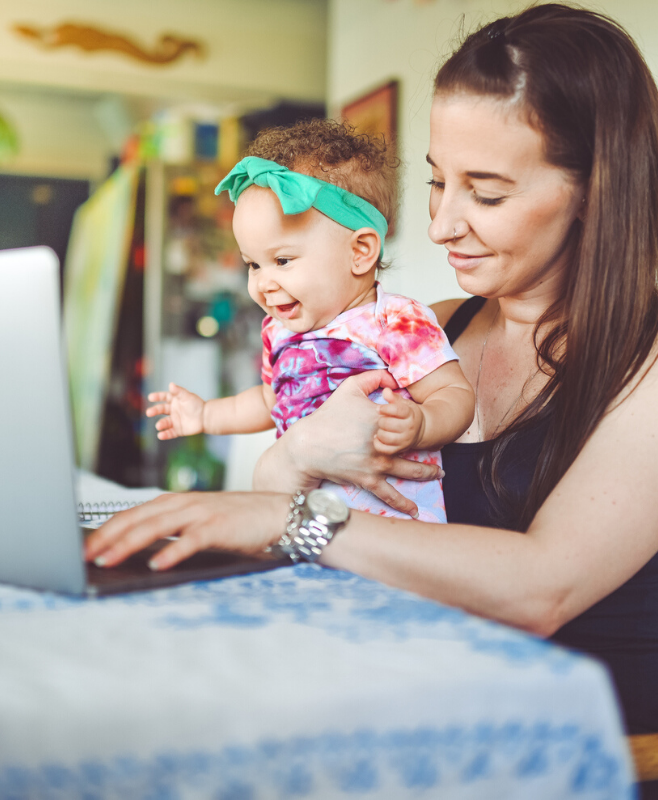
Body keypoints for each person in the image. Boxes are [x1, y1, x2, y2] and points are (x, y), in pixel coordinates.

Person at [86, 3, 658, 740]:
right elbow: (280, 490)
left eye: (486, 193)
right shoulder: (434, 323)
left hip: (572, 744)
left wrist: (298, 520)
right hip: (415, 689)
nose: (442, 224)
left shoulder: (645, 359)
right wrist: (293, 456)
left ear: (596, 190)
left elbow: (540, 589)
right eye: (435, 182)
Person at [146, 122, 474, 522]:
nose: (264, 283)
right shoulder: (279, 333)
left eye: (282, 260)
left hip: (396, 529)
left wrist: (423, 424)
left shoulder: (394, 321)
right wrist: (207, 415)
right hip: (308, 525)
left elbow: (455, 395)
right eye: (253, 264)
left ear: (361, 252)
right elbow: (269, 402)